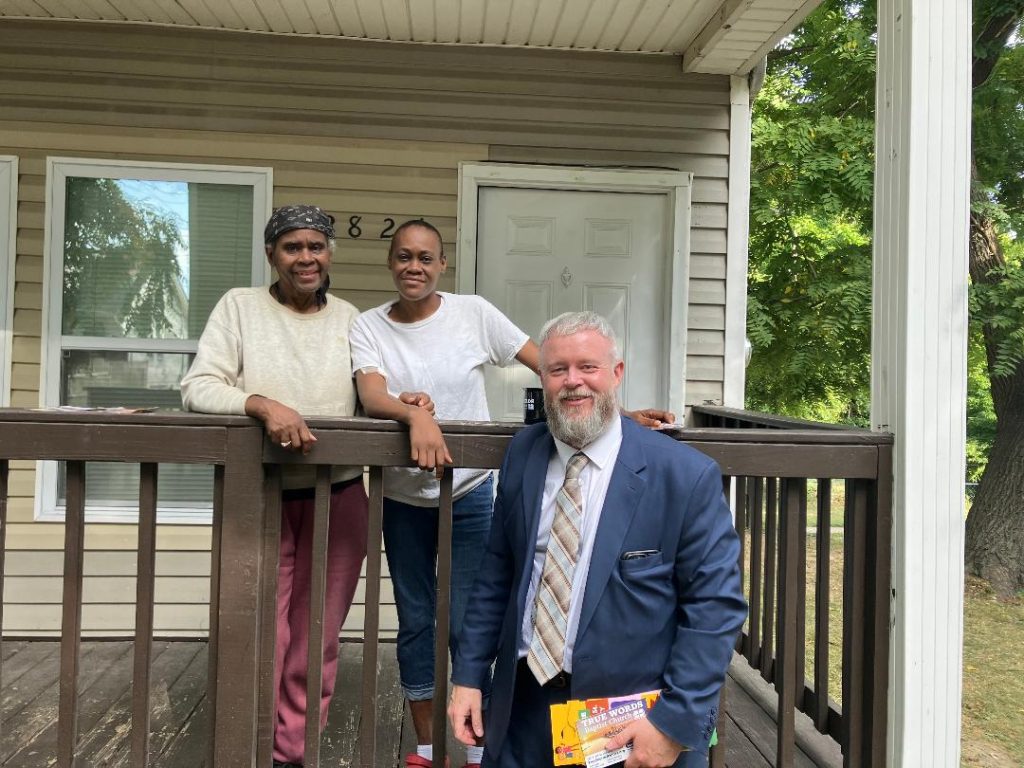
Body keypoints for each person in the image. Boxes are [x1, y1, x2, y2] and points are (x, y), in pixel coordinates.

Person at [349, 221, 675, 768]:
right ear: (390, 262)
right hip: (403, 497)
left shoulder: (473, 313)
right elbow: (370, 392)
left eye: (426, 257)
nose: (414, 267)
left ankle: (478, 748)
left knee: (474, 620)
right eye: (404, 256)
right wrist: (414, 416)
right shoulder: (368, 325)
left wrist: (614, 415)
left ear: (442, 264)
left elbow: (549, 366)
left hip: (471, 492)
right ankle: (427, 748)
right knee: (417, 621)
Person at [180, 205, 430, 768]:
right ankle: (250, 748)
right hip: (259, 496)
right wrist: (262, 405)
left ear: (330, 254)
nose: (305, 258)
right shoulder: (239, 307)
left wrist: (404, 402)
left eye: (316, 246)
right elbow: (198, 386)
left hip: (336, 498)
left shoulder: (349, 319)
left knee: (316, 637)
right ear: (272, 253)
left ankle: (291, 753)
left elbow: (369, 393)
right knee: (260, 633)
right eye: (292, 247)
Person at [447, 311, 747, 768]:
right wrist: (469, 674)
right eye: (557, 369)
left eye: (587, 366)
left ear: (616, 373)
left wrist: (672, 723)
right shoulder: (523, 455)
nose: (573, 382)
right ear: (542, 378)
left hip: (631, 727)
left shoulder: (684, 476)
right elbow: (497, 575)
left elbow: (715, 609)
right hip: (524, 711)